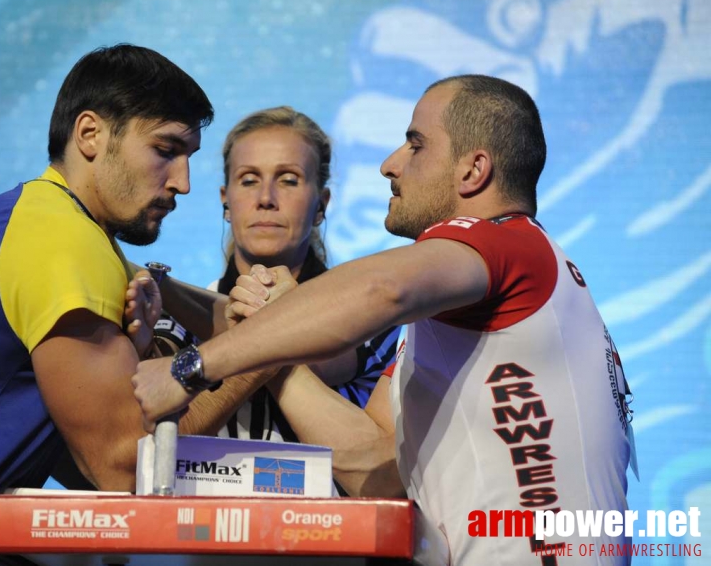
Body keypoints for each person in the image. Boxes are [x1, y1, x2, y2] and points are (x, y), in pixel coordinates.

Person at [133, 75, 635, 564]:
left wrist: (192, 367)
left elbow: (381, 288)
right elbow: (372, 465)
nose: (389, 165)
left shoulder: (508, 241)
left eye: (415, 145)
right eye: (249, 180)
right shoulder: (451, 320)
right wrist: (271, 336)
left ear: (473, 170)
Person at [0, 44, 272, 565]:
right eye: (166, 150)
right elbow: (121, 470)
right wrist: (263, 351)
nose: (183, 182)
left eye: (189, 157)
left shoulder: (36, 213)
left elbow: (70, 453)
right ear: (90, 135)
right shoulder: (65, 243)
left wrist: (265, 319)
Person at [209, 106, 400, 442]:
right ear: (226, 201)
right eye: (249, 180)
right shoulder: (179, 319)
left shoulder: (370, 312)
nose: (266, 199)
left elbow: (325, 357)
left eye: (288, 180)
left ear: (321, 205)